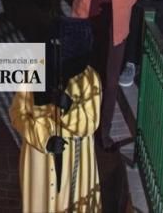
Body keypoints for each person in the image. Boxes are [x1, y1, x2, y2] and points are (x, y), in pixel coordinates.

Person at [69, 0, 142, 150]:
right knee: (80, 76)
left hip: (114, 26)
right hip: (85, 22)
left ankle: (104, 132)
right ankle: (79, 124)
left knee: (109, 81)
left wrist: (120, 9)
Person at [10, 17, 101, 213]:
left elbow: (90, 124)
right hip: (39, 160)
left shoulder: (89, 78)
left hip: (76, 161)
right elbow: (17, 114)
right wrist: (44, 139)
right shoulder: (34, 72)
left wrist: (69, 106)